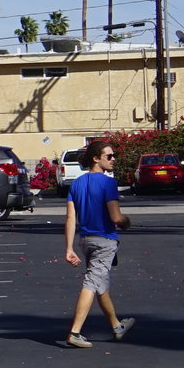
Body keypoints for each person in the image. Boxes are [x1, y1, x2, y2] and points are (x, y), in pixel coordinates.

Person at [62, 141, 133, 348]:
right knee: (92, 282)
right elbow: (116, 217)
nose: (113, 160)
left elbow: (70, 218)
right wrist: (126, 222)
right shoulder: (108, 183)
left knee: (100, 284)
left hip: (86, 240)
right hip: (105, 241)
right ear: (96, 158)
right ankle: (75, 332)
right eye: (109, 156)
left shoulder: (76, 183)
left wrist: (69, 248)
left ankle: (116, 326)